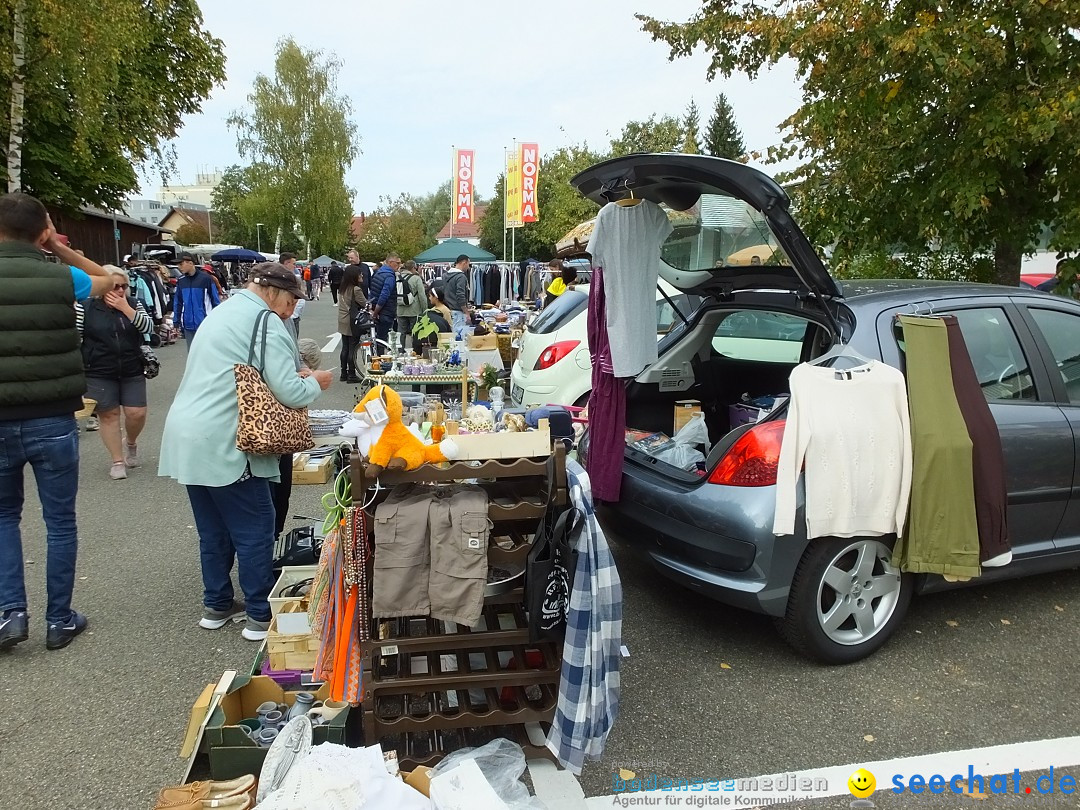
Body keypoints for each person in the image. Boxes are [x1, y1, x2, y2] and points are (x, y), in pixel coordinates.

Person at [158, 263, 331, 641]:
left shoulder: (223, 311)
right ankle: (258, 614)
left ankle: (217, 605)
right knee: (255, 528)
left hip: (188, 433)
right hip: (229, 437)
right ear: (270, 291)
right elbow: (287, 390)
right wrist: (316, 383)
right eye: (289, 301)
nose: (290, 310)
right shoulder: (263, 320)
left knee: (213, 529)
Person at [0, 192, 116, 651]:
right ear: (42, 231)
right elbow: (108, 279)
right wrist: (58, 247)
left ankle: (10, 614)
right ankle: (59, 619)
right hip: (51, 417)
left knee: (4, 516)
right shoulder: (62, 277)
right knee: (59, 521)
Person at [76, 266, 154, 480]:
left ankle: (131, 443)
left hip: (131, 367)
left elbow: (148, 328)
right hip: (98, 370)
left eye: (123, 286)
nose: (120, 290)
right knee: (109, 415)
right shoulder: (86, 307)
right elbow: (76, 336)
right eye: (114, 286)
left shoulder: (134, 303)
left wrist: (125, 308)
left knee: (136, 413)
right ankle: (117, 461)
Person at [175, 252, 220, 349]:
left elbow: (215, 301)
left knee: (205, 352)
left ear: (190, 263)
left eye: (181, 264)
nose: (179, 267)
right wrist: (176, 321)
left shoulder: (206, 279)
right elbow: (178, 302)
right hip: (188, 324)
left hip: (204, 323)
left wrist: (217, 321)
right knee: (191, 354)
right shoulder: (181, 281)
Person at [337, 262, 368, 382]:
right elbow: (365, 303)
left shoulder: (343, 288)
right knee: (353, 347)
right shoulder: (356, 289)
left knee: (345, 347)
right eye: (360, 274)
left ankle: (343, 373)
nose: (362, 276)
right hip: (352, 320)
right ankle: (351, 374)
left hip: (342, 319)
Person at [368, 252, 400, 346]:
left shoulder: (378, 273)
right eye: (397, 263)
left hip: (377, 309)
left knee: (378, 338)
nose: (399, 265)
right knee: (383, 340)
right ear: (390, 262)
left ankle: (377, 357)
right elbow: (384, 296)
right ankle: (381, 359)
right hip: (385, 311)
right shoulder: (389, 276)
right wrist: (376, 312)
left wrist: (373, 309)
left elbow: (372, 291)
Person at [396, 259, 425, 351]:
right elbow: (422, 295)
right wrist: (424, 309)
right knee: (415, 332)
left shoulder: (397, 277)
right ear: (413, 268)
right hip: (414, 309)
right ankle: (415, 351)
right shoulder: (416, 279)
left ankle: (400, 351)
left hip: (400, 308)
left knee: (401, 332)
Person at [413, 285, 453, 349]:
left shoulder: (445, 310)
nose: (429, 298)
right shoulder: (432, 309)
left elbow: (449, 326)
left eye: (430, 296)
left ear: (435, 298)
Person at [443, 254, 471, 339]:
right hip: (458, 311)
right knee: (459, 338)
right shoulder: (460, 277)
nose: (468, 267)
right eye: (468, 264)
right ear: (464, 263)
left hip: (448, 310)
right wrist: (466, 312)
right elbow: (460, 295)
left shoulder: (445, 275)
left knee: (453, 337)